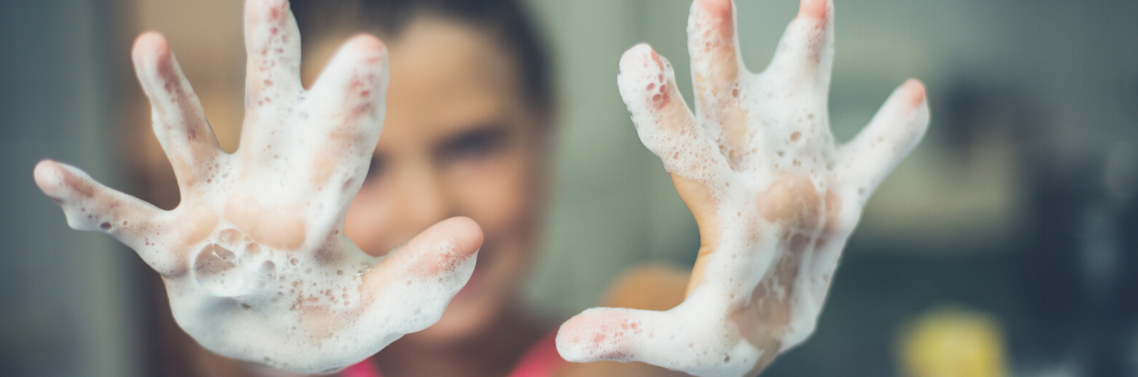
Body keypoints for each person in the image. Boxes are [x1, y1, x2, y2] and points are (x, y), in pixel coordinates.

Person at [32, 0, 928, 375]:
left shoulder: (632, 332)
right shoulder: (257, 358)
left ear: (547, 131)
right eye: (369, 165)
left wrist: (736, 330)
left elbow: (659, 325)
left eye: (474, 143)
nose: (430, 211)